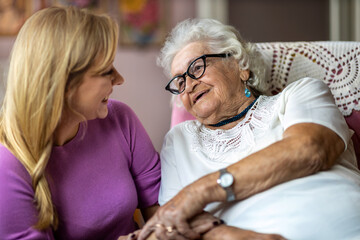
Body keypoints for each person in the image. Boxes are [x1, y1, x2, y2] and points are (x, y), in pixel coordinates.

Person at [138, 18, 360, 240]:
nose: (189, 85)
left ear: (240, 66)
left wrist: (199, 191)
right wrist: (238, 237)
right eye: (180, 82)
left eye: (197, 67)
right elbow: (175, 221)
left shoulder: (299, 94)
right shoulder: (179, 140)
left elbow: (310, 150)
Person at [0, 6, 161, 240]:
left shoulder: (120, 119)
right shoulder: (7, 165)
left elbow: (164, 210)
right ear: (64, 82)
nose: (119, 79)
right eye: (106, 71)